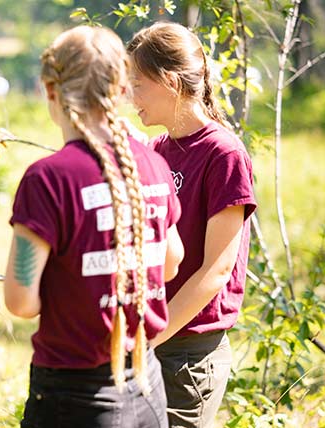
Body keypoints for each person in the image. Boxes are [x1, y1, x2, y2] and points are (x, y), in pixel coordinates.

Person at [3, 25, 185, 428]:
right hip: (147, 384)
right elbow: (171, 261)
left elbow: (20, 301)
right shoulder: (154, 164)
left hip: (73, 398)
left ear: (50, 90)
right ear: (121, 90)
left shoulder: (48, 178)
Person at [127, 22, 257, 428]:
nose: (132, 97)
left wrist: (151, 337)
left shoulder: (224, 154)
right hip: (150, 343)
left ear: (169, 81)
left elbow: (216, 270)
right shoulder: (156, 150)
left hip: (188, 355)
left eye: (138, 84)